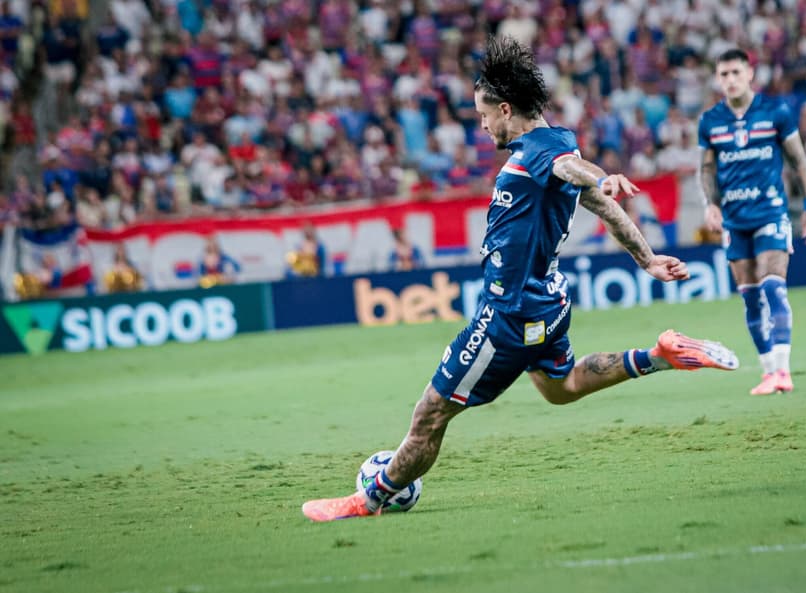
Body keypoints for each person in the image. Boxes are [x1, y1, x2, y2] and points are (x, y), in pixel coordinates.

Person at [301, 36, 739, 523]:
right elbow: (601, 205)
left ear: (506, 109)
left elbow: (574, 172)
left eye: (484, 115)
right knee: (561, 387)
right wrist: (647, 258)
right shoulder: (557, 139)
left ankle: (368, 500)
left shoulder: (539, 153)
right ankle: (659, 356)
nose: (482, 125)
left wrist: (602, 176)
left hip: (506, 316)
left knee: (430, 414)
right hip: (547, 304)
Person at [698, 49, 806, 397]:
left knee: (772, 287)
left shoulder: (775, 112)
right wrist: (711, 205)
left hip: (770, 213)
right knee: (750, 299)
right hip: (735, 222)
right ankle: (770, 373)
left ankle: (783, 370)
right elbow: (707, 168)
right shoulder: (711, 121)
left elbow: (799, 161)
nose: (730, 80)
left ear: (750, 73)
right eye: (723, 74)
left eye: (736, 72)